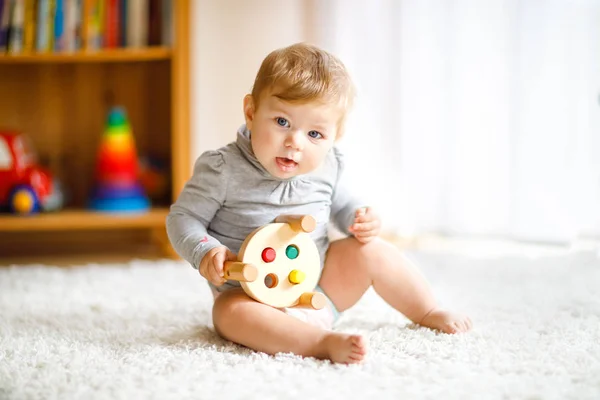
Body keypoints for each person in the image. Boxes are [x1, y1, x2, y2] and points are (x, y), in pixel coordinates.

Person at [166, 42, 472, 364]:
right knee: (227, 314)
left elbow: (341, 206)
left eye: (315, 134)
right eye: (282, 121)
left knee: (372, 251)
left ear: (334, 136)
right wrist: (204, 251)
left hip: (318, 292)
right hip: (250, 297)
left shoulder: (329, 165)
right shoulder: (222, 169)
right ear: (251, 112)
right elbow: (183, 218)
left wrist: (359, 217)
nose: (294, 142)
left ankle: (427, 309)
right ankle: (319, 342)